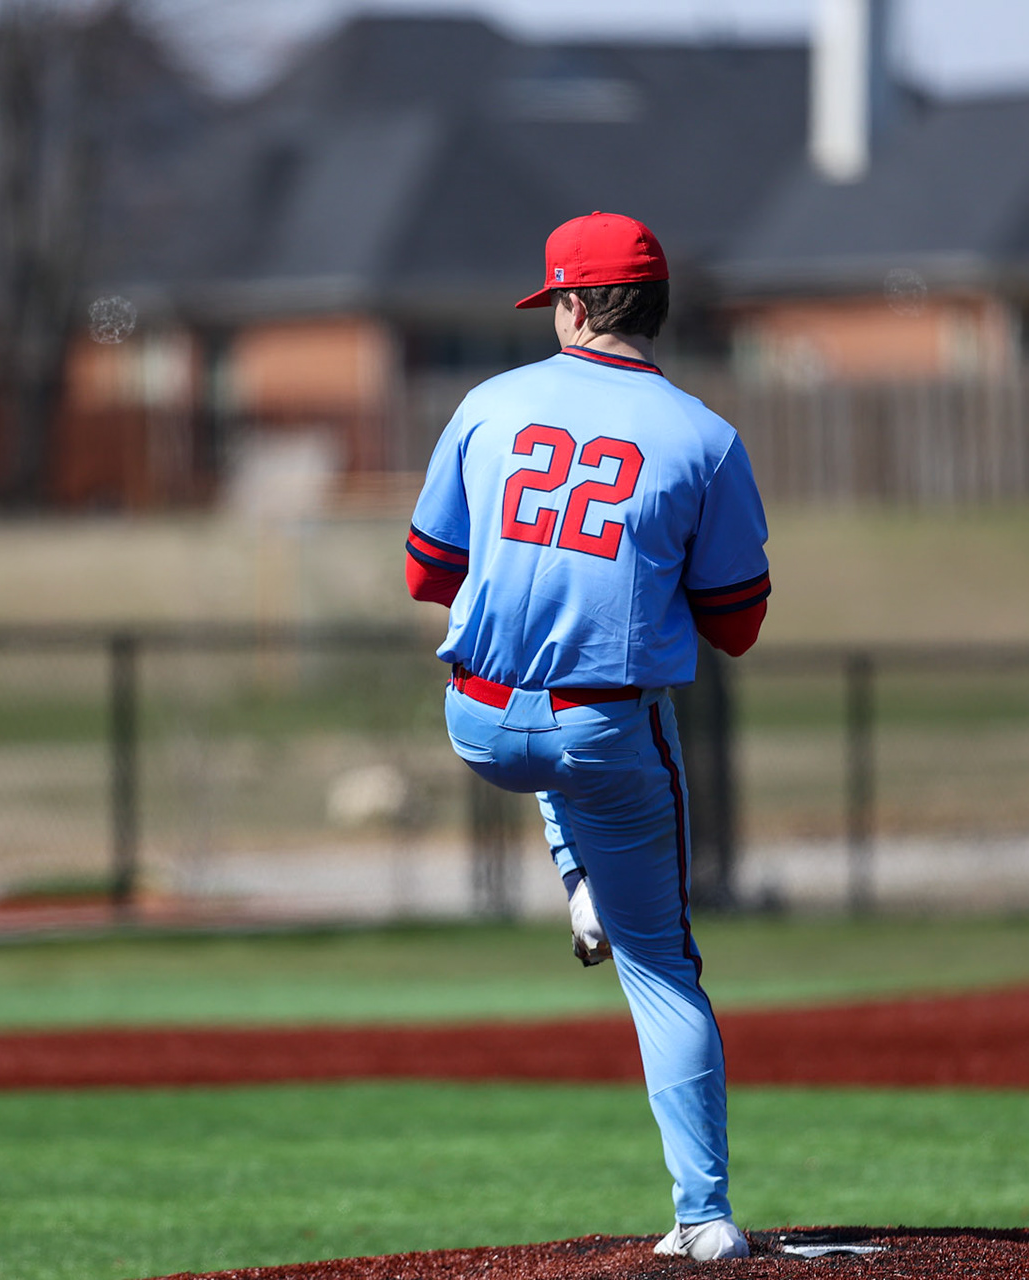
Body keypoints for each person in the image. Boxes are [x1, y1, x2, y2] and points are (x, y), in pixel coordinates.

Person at [403, 211, 770, 1261]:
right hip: (601, 729)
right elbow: (737, 625)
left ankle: (579, 876)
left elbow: (429, 573)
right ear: (653, 309)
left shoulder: (487, 403)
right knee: (662, 968)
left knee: (555, 749)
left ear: (569, 303)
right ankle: (703, 1216)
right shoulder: (702, 435)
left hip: (477, 717)